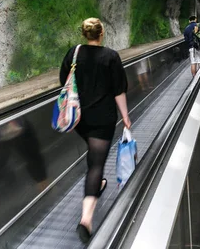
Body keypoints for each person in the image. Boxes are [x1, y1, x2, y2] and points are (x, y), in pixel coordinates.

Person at [59, 18, 131, 243]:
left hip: (79, 118)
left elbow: (64, 82)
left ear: (85, 34)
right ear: (101, 34)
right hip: (103, 119)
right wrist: (126, 117)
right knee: (97, 164)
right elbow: (118, 90)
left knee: (93, 158)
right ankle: (86, 220)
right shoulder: (110, 56)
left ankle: (97, 183)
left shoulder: (73, 53)